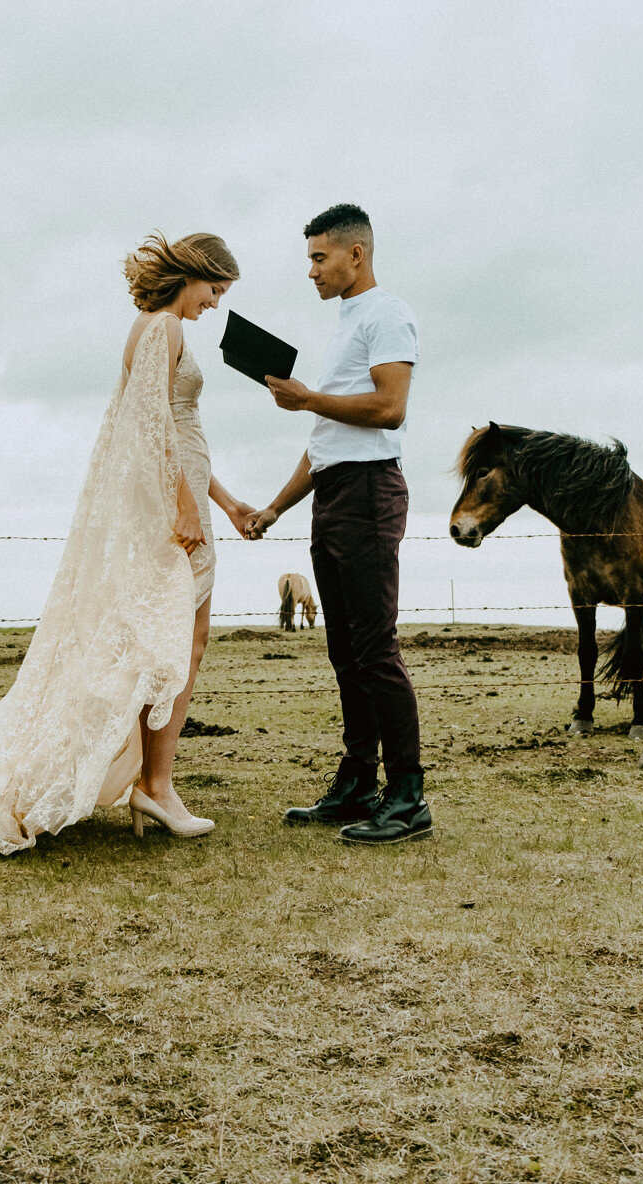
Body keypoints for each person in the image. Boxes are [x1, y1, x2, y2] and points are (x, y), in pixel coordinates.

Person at [0, 233, 256, 854]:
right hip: (172, 506)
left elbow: (177, 427)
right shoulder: (163, 327)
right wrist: (185, 504)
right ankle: (154, 784)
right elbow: (154, 424)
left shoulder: (152, 327)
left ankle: (153, 782)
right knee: (174, 642)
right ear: (196, 274)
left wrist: (227, 502)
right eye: (216, 289)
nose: (216, 304)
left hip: (180, 495)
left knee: (175, 640)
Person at [244, 204, 431, 845]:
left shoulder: (387, 312)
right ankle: (358, 784)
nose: (312, 271)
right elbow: (328, 439)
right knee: (345, 651)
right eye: (310, 259)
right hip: (335, 495)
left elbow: (390, 408)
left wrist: (307, 398)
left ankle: (408, 798)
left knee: (376, 650)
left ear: (357, 254)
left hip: (372, 495)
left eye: (320, 258)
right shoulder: (347, 322)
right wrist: (274, 506)